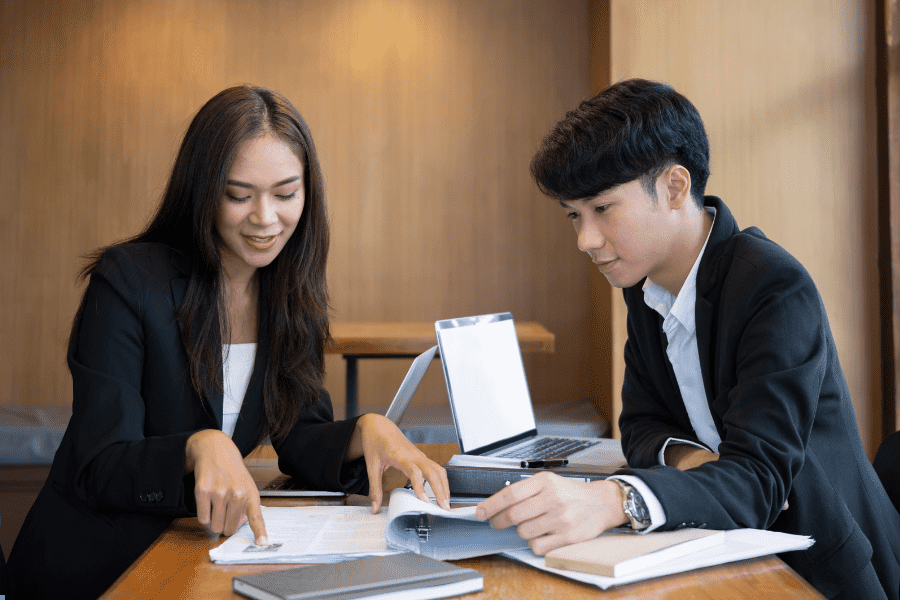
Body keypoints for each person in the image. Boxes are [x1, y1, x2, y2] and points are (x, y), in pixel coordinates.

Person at [7, 85, 450, 599]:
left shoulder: (288, 290)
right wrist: (199, 448)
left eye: (286, 194)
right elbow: (99, 464)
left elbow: (299, 435)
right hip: (96, 567)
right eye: (239, 195)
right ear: (203, 192)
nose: (265, 218)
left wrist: (366, 431)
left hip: (199, 557)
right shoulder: (128, 282)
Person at [476, 78, 900, 599]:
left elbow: (761, 484)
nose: (585, 240)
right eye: (574, 216)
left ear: (675, 188)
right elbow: (640, 424)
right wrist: (695, 462)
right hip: (720, 543)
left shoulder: (772, 286)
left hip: (817, 566)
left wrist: (616, 500)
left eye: (603, 210)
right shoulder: (647, 285)